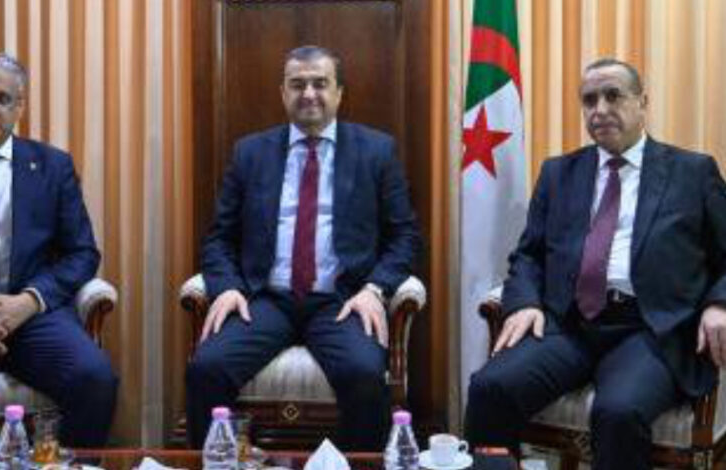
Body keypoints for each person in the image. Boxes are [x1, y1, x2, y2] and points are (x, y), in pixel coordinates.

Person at [465, 58, 726, 470]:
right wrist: (525, 302)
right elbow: (529, 254)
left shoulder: (692, 172)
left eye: (613, 96)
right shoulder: (559, 172)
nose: (600, 109)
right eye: (589, 100)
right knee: (488, 387)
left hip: (649, 330)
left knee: (617, 412)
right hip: (569, 324)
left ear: (643, 102)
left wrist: (718, 304)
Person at [186, 45, 421, 450]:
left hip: (341, 301)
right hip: (266, 300)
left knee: (365, 374)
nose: (309, 93)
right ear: (283, 93)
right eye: (297, 85)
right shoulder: (250, 153)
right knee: (207, 368)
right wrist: (226, 287)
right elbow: (219, 237)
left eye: (320, 83)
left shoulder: (376, 151)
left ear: (339, 93)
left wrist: (374, 289)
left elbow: (406, 237)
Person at [0, 52, 117, 447]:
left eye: (2, 98)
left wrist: (27, 302)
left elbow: (82, 253)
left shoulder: (53, 166)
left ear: (19, 106)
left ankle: (68, 467)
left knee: (95, 378)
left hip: (28, 318)